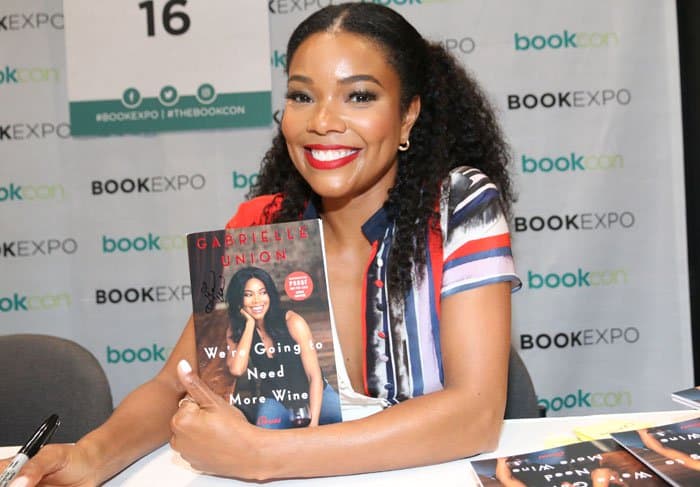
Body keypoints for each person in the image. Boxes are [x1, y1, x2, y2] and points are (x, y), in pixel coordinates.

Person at [3, 3, 520, 484]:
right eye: (302, 95)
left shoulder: (460, 205)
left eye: (359, 96)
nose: (323, 122)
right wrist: (88, 458)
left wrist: (265, 456)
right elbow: (175, 387)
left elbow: (472, 417)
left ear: (408, 115)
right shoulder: (261, 225)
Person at [223, 266, 341, 428]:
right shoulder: (237, 329)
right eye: (248, 295)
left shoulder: (292, 321)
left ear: (270, 295)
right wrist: (250, 325)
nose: (257, 300)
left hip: (314, 393)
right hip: (276, 399)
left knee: (344, 421)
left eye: (262, 292)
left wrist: (312, 424)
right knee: (266, 438)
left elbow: (314, 377)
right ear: (238, 300)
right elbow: (236, 369)